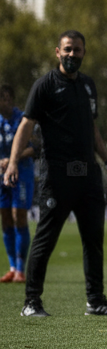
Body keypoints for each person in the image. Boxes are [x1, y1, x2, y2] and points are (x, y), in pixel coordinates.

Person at [4, 30, 107, 317]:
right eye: (68, 49)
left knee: (93, 240)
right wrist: (12, 163)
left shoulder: (88, 85)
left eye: (77, 50)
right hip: (57, 176)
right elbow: (26, 125)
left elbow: (92, 128)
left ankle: (95, 300)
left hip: (88, 176)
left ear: (84, 53)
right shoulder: (44, 86)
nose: (72, 54)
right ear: (57, 52)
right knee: (45, 239)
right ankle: (31, 302)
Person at [0, 85, 35, 283]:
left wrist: (13, 158)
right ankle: (12, 268)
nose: (4, 102)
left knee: (18, 215)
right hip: (1, 176)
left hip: (22, 174)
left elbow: (35, 147)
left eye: (7, 98)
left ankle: (21, 269)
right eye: (1, 99)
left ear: (11, 99)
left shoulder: (23, 119)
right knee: (5, 218)